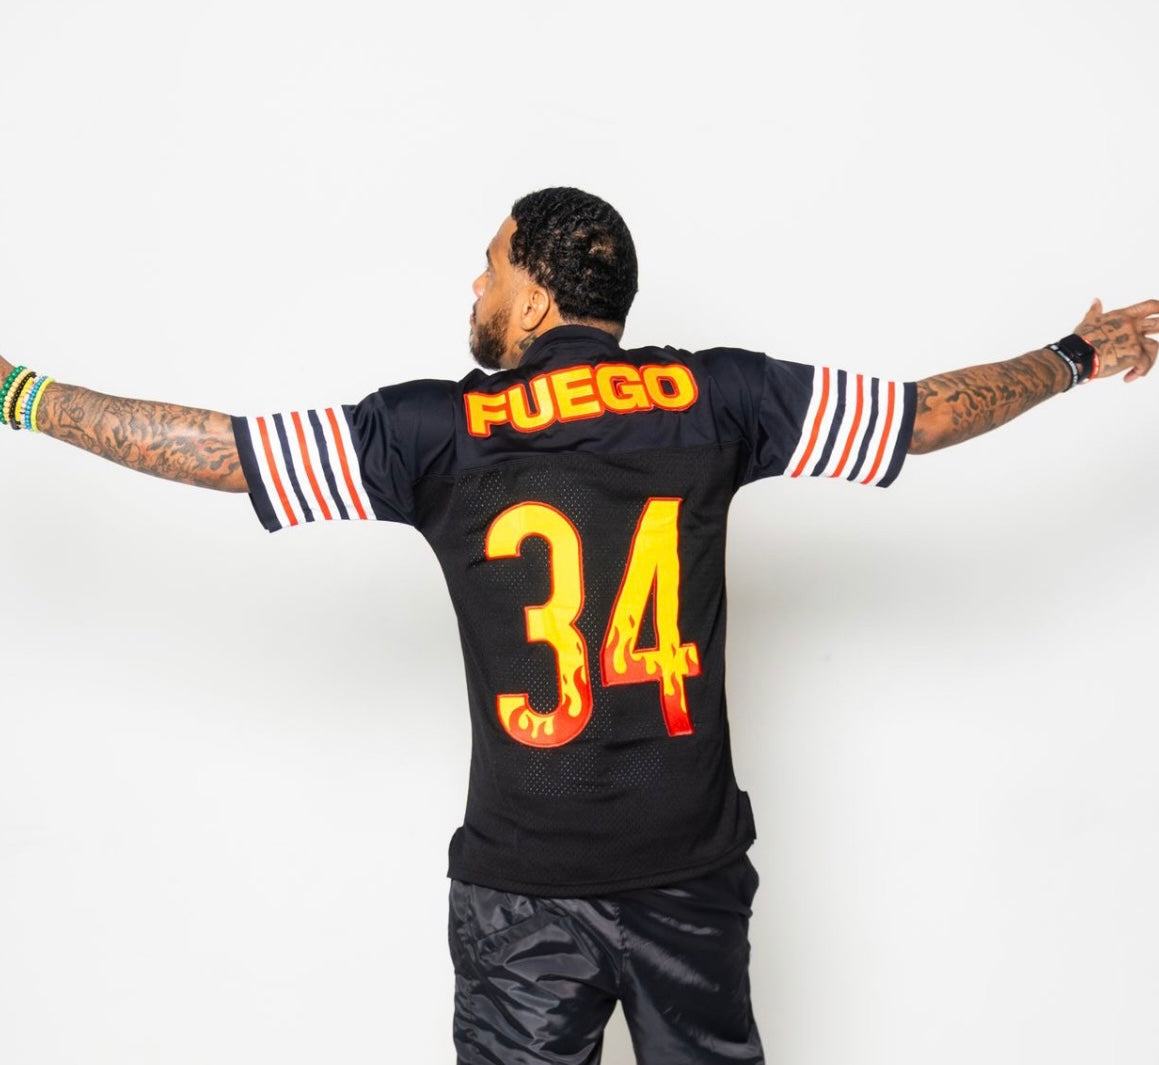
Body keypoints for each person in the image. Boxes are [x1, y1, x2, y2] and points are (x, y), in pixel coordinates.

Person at [2, 187, 1157, 1065]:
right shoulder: (719, 398)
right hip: (690, 882)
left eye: (490, 264)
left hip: (524, 890)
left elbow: (225, 452)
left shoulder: (437, 431)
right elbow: (917, 417)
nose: (474, 285)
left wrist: (20, 394)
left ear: (537, 298)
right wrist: (1073, 356)